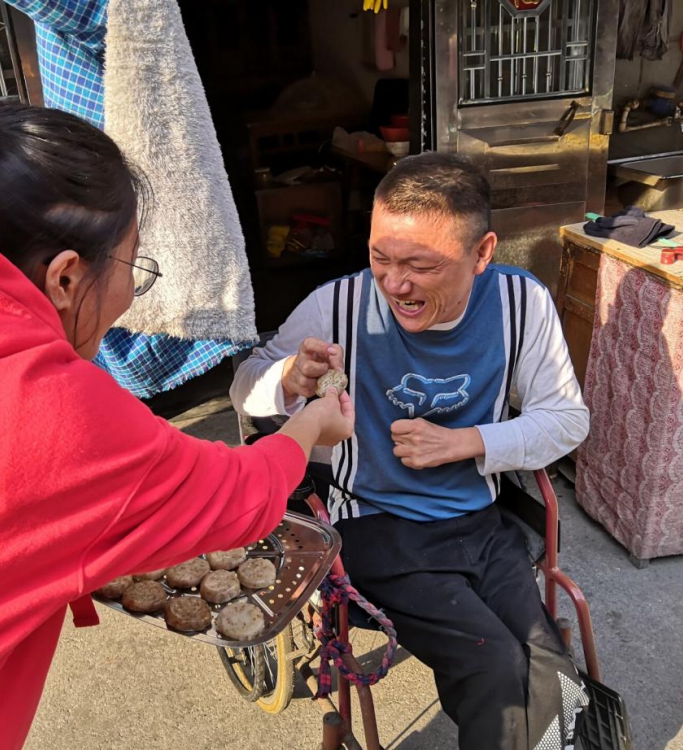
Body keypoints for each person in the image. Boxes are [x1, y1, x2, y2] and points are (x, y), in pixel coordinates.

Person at [0, 78, 354, 749]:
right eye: (131, 264)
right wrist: (313, 424)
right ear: (64, 277)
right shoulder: (41, 414)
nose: (128, 287)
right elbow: (240, 498)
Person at [231, 152, 591, 750]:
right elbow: (246, 389)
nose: (395, 284)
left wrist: (468, 442)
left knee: (552, 670)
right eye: (381, 258)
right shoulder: (337, 306)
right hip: (373, 528)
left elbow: (566, 419)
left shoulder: (521, 304)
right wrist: (291, 377)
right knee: (494, 666)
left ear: (482, 253)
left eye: (420, 266)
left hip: (480, 521)